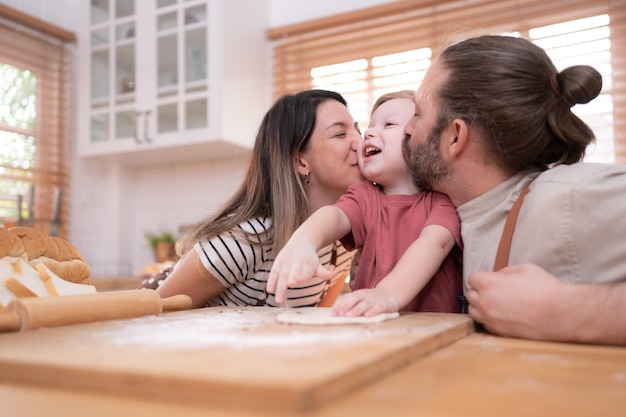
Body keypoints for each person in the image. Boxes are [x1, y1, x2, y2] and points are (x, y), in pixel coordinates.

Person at [402, 34, 626, 345]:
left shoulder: (566, 195)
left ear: (455, 137)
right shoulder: (465, 217)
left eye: (418, 113)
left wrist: (565, 312)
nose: (407, 129)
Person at [153, 89, 365, 308]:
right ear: (301, 162)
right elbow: (152, 315)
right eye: (340, 134)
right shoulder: (245, 241)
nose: (360, 142)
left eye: (358, 131)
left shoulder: (342, 240)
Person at [267, 91, 463, 316]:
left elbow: (434, 244)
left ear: (423, 139)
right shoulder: (364, 197)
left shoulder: (442, 203)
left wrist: (387, 294)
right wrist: (304, 241)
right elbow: (335, 215)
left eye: (388, 124)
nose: (368, 133)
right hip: (374, 327)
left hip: (433, 330)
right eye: (370, 126)